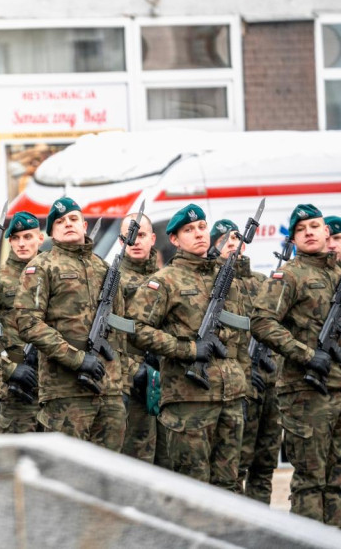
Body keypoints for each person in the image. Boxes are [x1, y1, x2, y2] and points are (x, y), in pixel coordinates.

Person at [126, 204, 247, 490]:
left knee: (229, 487)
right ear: (175, 240)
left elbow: (241, 330)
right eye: (189, 230)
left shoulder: (225, 276)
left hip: (229, 397)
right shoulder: (164, 281)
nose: (199, 234)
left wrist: (241, 383)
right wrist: (188, 350)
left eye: (202, 227)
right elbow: (137, 330)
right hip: (188, 401)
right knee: (194, 490)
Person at [250, 204, 341, 524]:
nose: (310, 233)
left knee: (337, 482)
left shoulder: (338, 274)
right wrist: (305, 354)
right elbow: (261, 321)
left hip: (338, 387)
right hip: (304, 390)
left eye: (315, 226)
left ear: (327, 232)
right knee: (310, 481)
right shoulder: (288, 275)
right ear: (293, 238)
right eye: (301, 230)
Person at [14, 197, 126, 450]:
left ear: (84, 226)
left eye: (73, 219)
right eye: (60, 222)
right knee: (69, 472)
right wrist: (76, 358)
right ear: (51, 232)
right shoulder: (41, 267)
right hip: (65, 390)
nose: (68, 224)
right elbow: (28, 322)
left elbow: (119, 326)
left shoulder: (103, 268)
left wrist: (122, 379)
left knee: (112, 471)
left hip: (108, 388)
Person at [205, 219, 279, 504]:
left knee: (265, 465)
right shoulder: (214, 283)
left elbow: (275, 327)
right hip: (237, 387)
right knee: (235, 466)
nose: (231, 243)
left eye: (235, 238)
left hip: (268, 384)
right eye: (222, 239)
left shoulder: (262, 283)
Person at [0, 211, 45, 434]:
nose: (22, 244)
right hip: (18, 388)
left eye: (28, 237)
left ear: (40, 238)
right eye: (16, 238)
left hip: (55, 386)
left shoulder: (51, 273)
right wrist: (10, 370)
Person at [116, 212, 161, 464]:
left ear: (152, 239)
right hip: (131, 384)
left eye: (141, 235)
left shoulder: (165, 278)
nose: (135, 241)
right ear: (121, 241)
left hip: (167, 382)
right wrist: (134, 370)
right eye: (129, 236)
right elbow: (108, 336)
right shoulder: (112, 280)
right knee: (136, 462)